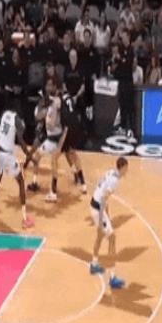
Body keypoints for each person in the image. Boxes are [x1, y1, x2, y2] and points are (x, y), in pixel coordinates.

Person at [0, 109, 35, 228]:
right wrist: (28, 154)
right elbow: (21, 140)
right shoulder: (17, 120)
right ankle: (25, 219)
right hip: (7, 156)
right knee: (21, 181)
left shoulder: (5, 114)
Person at [89, 157, 129, 289]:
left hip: (95, 206)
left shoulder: (110, 172)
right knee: (112, 238)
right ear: (122, 167)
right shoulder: (114, 181)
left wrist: (107, 216)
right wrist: (101, 221)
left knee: (100, 236)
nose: (127, 171)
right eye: (126, 168)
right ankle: (112, 277)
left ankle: (94, 264)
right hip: (97, 209)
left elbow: (102, 195)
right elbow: (103, 200)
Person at [27, 78, 66, 202]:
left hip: (55, 137)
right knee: (42, 159)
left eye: (51, 85)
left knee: (51, 162)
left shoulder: (57, 101)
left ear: (54, 87)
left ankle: (52, 192)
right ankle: (37, 184)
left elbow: (57, 105)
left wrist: (50, 102)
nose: (48, 88)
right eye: (47, 85)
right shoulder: (48, 103)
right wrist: (42, 107)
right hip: (52, 137)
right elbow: (38, 116)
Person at [60, 90, 87, 194]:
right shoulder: (70, 98)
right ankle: (80, 179)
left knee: (67, 152)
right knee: (70, 152)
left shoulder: (60, 100)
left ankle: (78, 176)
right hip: (76, 126)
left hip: (68, 128)